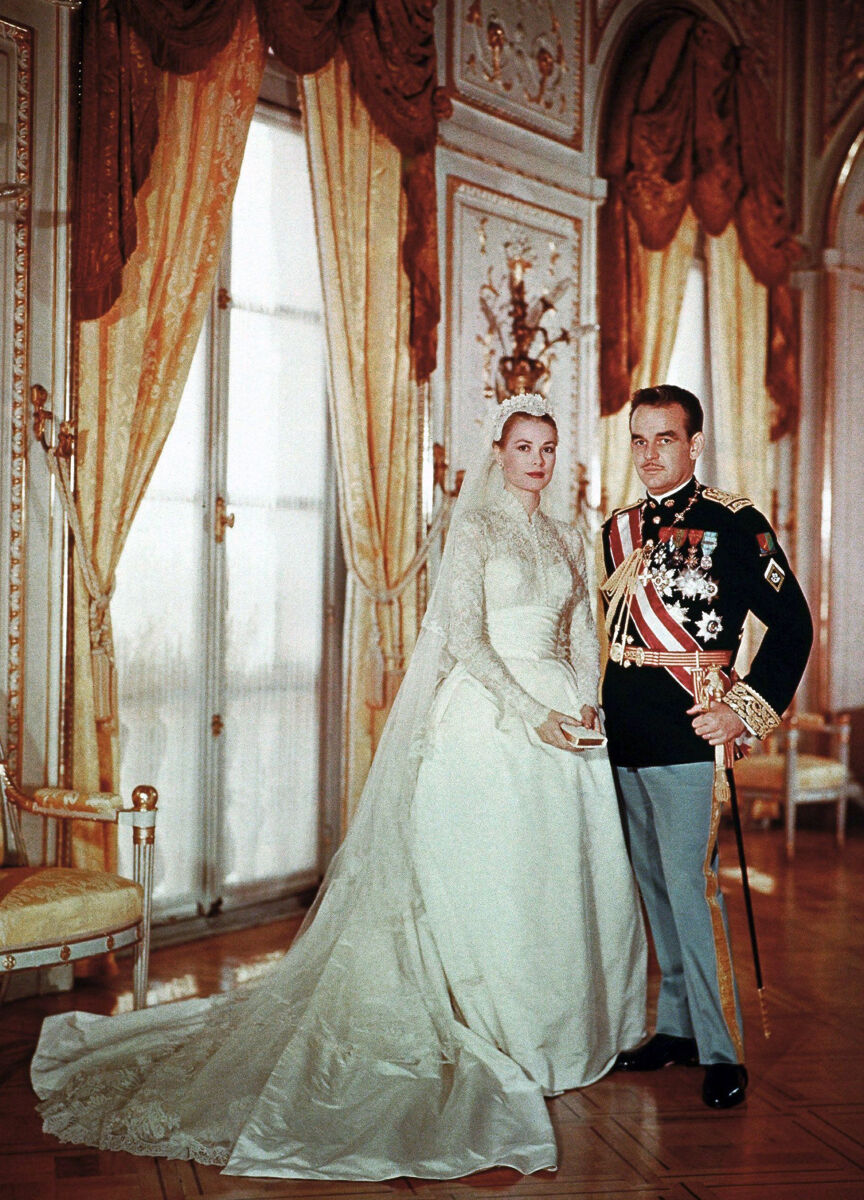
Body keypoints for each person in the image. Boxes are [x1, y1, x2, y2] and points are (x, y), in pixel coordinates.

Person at [31, 393, 647, 1181]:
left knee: (559, 877)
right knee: (495, 875)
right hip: (492, 719)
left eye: (548, 449)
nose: (537, 461)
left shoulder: (566, 535)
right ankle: (496, 1032)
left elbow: (580, 632)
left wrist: (584, 696)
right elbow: (466, 637)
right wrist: (532, 712)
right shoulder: (478, 530)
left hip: (566, 718)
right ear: (499, 453)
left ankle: (562, 1032)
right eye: (524, 447)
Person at [599, 384, 813, 1110]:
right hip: (624, 726)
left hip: (690, 731)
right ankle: (678, 1028)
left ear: (694, 444)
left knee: (692, 890)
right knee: (656, 887)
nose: (650, 454)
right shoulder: (618, 529)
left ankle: (722, 1050)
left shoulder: (734, 523)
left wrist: (744, 712)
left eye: (665, 439)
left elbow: (793, 628)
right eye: (638, 439)